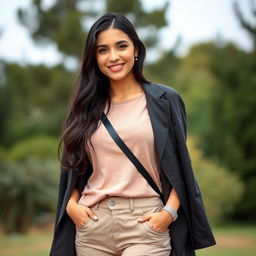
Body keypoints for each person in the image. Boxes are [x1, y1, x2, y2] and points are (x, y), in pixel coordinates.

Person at [49, 13, 216, 256]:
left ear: (136, 50)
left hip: (146, 223)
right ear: (94, 58)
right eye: (103, 50)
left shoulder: (165, 100)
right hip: (92, 225)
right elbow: (77, 167)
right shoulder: (85, 106)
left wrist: (168, 213)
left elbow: (180, 166)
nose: (113, 57)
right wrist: (72, 205)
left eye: (121, 46)